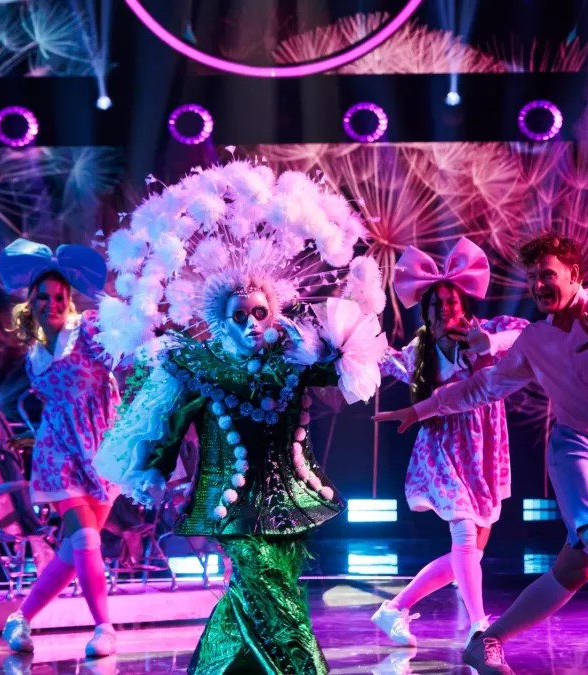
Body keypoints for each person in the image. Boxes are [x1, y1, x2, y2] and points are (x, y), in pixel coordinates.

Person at [90, 162, 388, 675]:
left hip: (293, 502)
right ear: (220, 320)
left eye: (259, 313)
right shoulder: (198, 368)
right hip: (231, 507)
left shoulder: (294, 361)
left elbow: (347, 365)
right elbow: (170, 423)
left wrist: (336, 341)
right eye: (239, 315)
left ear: (274, 312)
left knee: (259, 595)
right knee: (274, 601)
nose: (251, 324)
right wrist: (154, 470)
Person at [374, 233, 588, 675]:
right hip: (577, 447)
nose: (538, 285)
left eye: (546, 275)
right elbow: (484, 386)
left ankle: (488, 642)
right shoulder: (536, 339)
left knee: (579, 566)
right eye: (532, 277)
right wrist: (421, 409)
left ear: (574, 274)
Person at [370, 238, 528, 648]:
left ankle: (394, 608)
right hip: (441, 449)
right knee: (464, 538)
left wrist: (488, 343)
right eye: (436, 304)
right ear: (426, 311)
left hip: (485, 451)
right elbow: (381, 360)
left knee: (471, 552)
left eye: (451, 302)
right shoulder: (419, 351)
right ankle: (479, 625)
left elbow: (528, 335)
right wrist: (340, 345)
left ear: (464, 305)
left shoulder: (487, 331)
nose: (444, 309)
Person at [0, 238, 120, 658]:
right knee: (84, 538)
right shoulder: (34, 355)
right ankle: (104, 628)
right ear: (31, 302)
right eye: (43, 297)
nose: (52, 304)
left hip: (101, 448)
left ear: (69, 301)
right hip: (58, 451)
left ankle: (20, 618)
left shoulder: (89, 330)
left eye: (59, 297)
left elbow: (124, 352)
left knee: (73, 550)